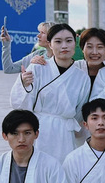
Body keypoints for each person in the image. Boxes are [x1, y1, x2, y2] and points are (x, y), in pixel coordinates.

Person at [10, 23, 90, 163]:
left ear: (75, 43)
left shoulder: (82, 77)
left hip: (64, 134)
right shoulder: (37, 68)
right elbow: (19, 105)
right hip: (40, 131)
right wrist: (24, 85)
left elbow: (79, 113)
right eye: (58, 41)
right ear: (50, 44)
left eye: (69, 41)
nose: (64, 46)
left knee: (63, 169)